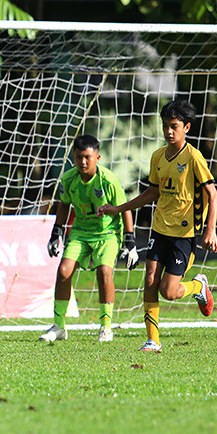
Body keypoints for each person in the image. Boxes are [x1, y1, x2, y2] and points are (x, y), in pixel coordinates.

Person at [98, 100, 217, 353]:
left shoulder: (193, 157)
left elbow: (213, 194)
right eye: (165, 126)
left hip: (184, 235)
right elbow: (153, 192)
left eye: (174, 126)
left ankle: (199, 286)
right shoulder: (157, 156)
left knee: (170, 291)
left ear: (186, 127)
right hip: (159, 230)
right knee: (150, 279)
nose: (168, 131)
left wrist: (210, 229)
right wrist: (119, 209)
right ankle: (153, 340)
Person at [42, 135, 138, 344]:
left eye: (87, 157)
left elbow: (125, 208)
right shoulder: (68, 179)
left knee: (104, 271)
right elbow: (64, 204)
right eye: (78, 157)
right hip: (80, 232)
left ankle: (105, 326)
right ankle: (59, 326)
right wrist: (56, 231)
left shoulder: (108, 179)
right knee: (63, 271)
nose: (83, 162)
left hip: (108, 234)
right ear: (73, 158)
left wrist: (130, 241)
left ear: (97, 157)